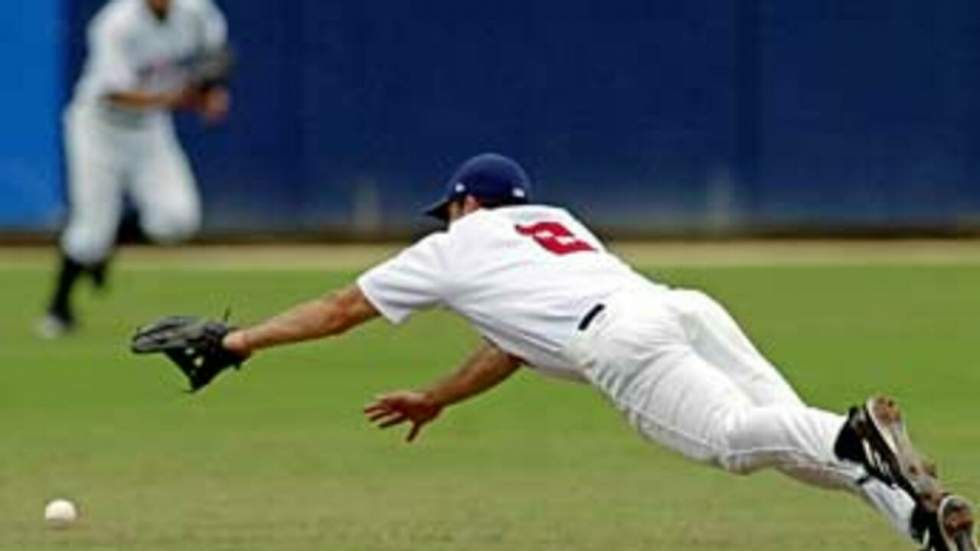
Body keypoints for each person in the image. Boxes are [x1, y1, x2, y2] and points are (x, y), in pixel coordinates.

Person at [214, 153, 973, 550]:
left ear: (467, 202)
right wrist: (439, 396)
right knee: (790, 438)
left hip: (620, 341)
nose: (446, 218)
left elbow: (341, 309)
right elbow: (508, 348)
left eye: (449, 206)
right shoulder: (555, 220)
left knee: (739, 446)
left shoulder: (454, 244)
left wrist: (241, 338)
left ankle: (858, 432)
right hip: (682, 306)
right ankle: (928, 522)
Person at [38, 0, 231, 337]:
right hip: (98, 128)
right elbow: (114, 93)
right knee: (89, 233)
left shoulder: (195, 11)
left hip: (149, 129)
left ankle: (108, 244)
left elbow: (217, 53)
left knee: (176, 220)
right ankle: (58, 309)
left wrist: (213, 89)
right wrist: (182, 99)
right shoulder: (115, 23)